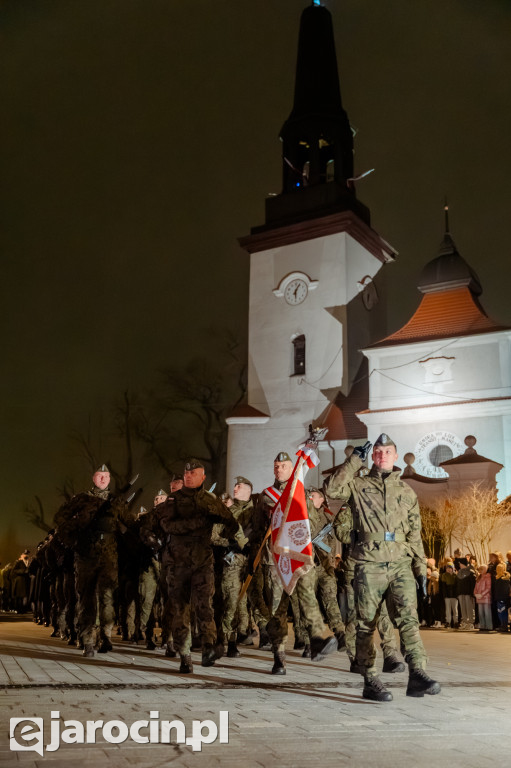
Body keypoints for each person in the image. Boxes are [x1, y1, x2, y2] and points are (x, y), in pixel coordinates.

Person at [324, 433, 440, 702]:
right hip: (369, 563)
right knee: (366, 624)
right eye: (377, 451)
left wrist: (420, 568)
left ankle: (417, 674)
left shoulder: (406, 491)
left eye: (387, 451)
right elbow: (331, 490)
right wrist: (354, 460)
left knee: (408, 619)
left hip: (400, 563)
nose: (382, 455)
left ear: (396, 456)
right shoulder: (358, 484)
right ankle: (369, 679)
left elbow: (414, 533)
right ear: (372, 455)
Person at [140, 459, 247, 674]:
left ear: (202, 477)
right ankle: (185, 655)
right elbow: (148, 526)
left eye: (193, 473)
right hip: (177, 564)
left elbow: (231, 523)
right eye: (186, 473)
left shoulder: (210, 501)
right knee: (180, 610)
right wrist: (156, 544)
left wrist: (226, 542)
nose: (188, 476)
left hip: (202, 561)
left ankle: (208, 647)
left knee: (204, 606)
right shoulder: (172, 501)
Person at [55, 464, 135, 657]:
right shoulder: (81, 499)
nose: (103, 479)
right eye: (100, 476)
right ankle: (88, 640)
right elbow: (60, 519)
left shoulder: (115, 501)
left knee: (107, 599)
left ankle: (105, 636)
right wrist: (74, 541)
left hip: (109, 557)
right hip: (85, 556)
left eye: (106, 476)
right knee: (86, 598)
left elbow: (131, 523)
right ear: (93, 478)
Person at [473, 565, 493, 632]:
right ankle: (482, 625)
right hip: (479, 598)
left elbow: (488, 588)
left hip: (486, 597)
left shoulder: (488, 577)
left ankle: (488, 626)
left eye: (482, 569)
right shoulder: (479, 577)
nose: (481, 571)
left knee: (487, 612)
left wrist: (482, 594)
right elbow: (475, 587)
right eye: (480, 569)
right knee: (481, 612)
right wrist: (475, 594)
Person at [493, 563, 510, 632]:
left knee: (503, 612)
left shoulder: (505, 579)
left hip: (503, 598)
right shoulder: (497, 578)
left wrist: (504, 597)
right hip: (498, 598)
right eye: (497, 569)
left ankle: (504, 625)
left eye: (499, 569)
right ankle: (502, 624)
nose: (497, 570)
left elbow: (505, 590)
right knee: (499, 612)